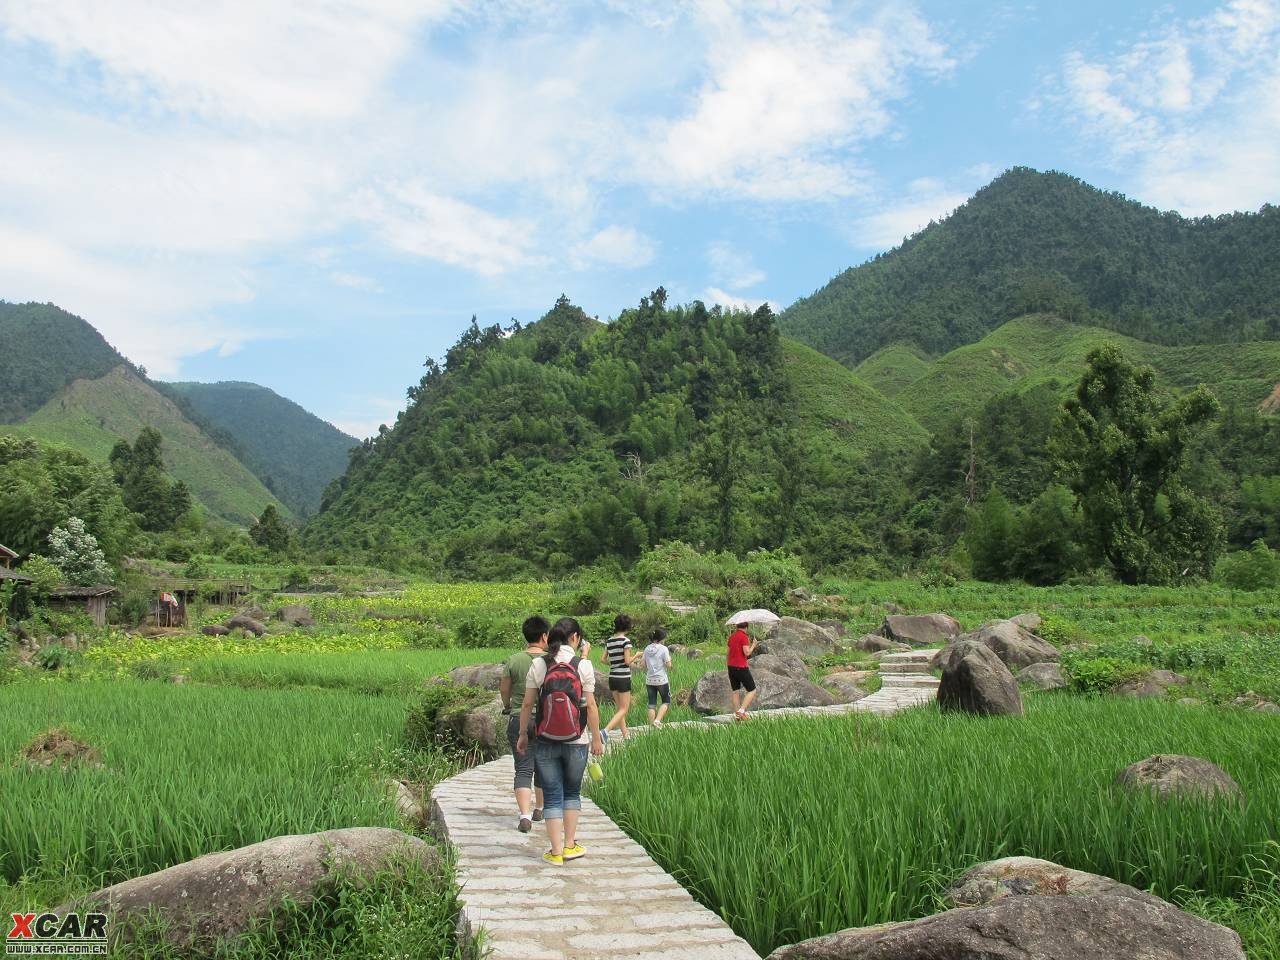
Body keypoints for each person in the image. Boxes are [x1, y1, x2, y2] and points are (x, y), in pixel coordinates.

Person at [516, 616, 604, 865]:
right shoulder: (582, 665)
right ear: (575, 638)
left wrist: (523, 734)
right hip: (577, 740)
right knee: (572, 792)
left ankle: (554, 852)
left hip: (545, 739)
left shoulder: (540, 664)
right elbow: (592, 706)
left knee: (552, 794)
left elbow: (527, 704)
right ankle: (569, 846)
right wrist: (596, 739)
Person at [499, 615, 548, 833]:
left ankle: (525, 815)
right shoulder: (551, 660)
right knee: (543, 767)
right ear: (545, 636)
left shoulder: (514, 660)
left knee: (523, 768)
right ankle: (540, 809)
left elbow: (504, 688)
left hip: (519, 717)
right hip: (546, 720)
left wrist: (508, 705)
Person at [601, 613, 642, 740]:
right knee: (624, 708)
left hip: (612, 677)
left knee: (620, 709)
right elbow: (627, 661)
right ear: (627, 626)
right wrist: (636, 655)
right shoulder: (626, 641)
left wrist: (613, 663)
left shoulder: (610, 641)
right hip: (623, 677)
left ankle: (626, 735)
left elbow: (602, 660)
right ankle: (605, 731)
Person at [727, 621, 758, 720]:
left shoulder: (732, 636)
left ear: (736, 626)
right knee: (752, 690)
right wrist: (753, 644)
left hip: (731, 667)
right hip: (741, 667)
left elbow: (728, 653)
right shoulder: (744, 637)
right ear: (747, 627)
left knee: (735, 691)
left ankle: (737, 716)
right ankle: (741, 711)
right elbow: (747, 652)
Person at [643, 627, 673, 726]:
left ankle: (651, 725)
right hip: (661, 680)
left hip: (649, 680)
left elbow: (643, 665)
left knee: (651, 704)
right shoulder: (664, 649)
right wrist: (669, 663)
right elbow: (669, 665)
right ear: (662, 638)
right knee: (666, 701)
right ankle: (657, 720)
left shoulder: (647, 649)